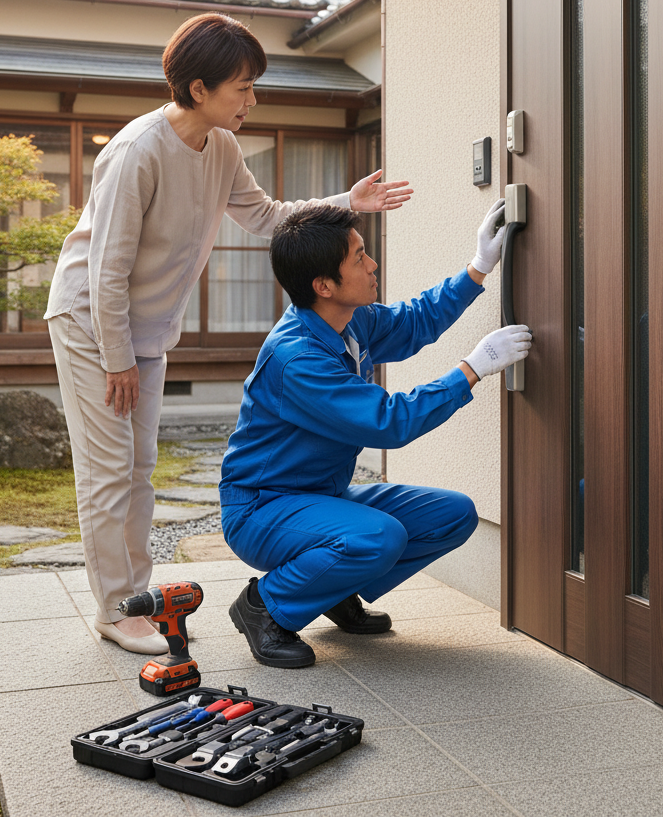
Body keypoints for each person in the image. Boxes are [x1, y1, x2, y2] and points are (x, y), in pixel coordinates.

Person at [45, 13, 411, 654]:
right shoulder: (137, 151)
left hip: (147, 331)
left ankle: (135, 598)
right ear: (197, 90)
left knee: (139, 468)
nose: (251, 100)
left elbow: (265, 217)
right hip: (91, 325)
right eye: (241, 88)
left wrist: (347, 203)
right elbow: (108, 270)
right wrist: (116, 358)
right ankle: (114, 609)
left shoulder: (220, 148)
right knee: (108, 470)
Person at [220, 200, 532, 668]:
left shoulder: (349, 320)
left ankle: (330, 589)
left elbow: (412, 321)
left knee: (454, 514)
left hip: (321, 497)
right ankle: (265, 605)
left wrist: (478, 267)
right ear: (323, 285)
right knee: (378, 536)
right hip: (262, 508)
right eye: (359, 257)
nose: (373, 264)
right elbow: (389, 421)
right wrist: (473, 369)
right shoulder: (299, 358)